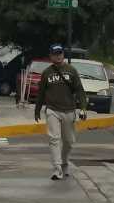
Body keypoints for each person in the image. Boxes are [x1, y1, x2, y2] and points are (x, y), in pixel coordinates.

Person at [33, 42, 87, 181]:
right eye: (55, 54)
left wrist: (83, 108)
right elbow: (41, 93)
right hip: (52, 110)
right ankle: (57, 169)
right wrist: (37, 110)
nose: (58, 56)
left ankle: (64, 162)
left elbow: (80, 90)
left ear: (63, 54)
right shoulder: (47, 73)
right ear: (50, 56)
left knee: (69, 141)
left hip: (69, 110)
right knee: (54, 139)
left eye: (60, 53)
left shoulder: (71, 70)